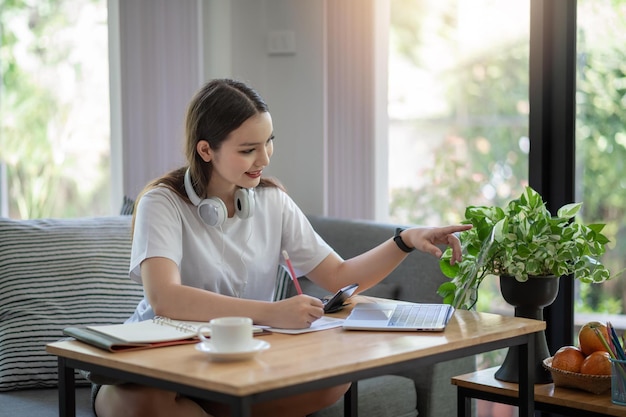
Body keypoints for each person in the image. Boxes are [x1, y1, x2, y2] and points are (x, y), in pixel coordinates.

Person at [93, 78, 472, 417]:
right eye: (247, 149)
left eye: (269, 141)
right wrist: (271, 313)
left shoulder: (271, 201)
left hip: (234, 364)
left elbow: (339, 276)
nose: (265, 158)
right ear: (206, 150)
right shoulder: (163, 202)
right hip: (155, 362)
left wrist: (404, 240)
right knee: (145, 404)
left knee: (332, 382)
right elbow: (165, 298)